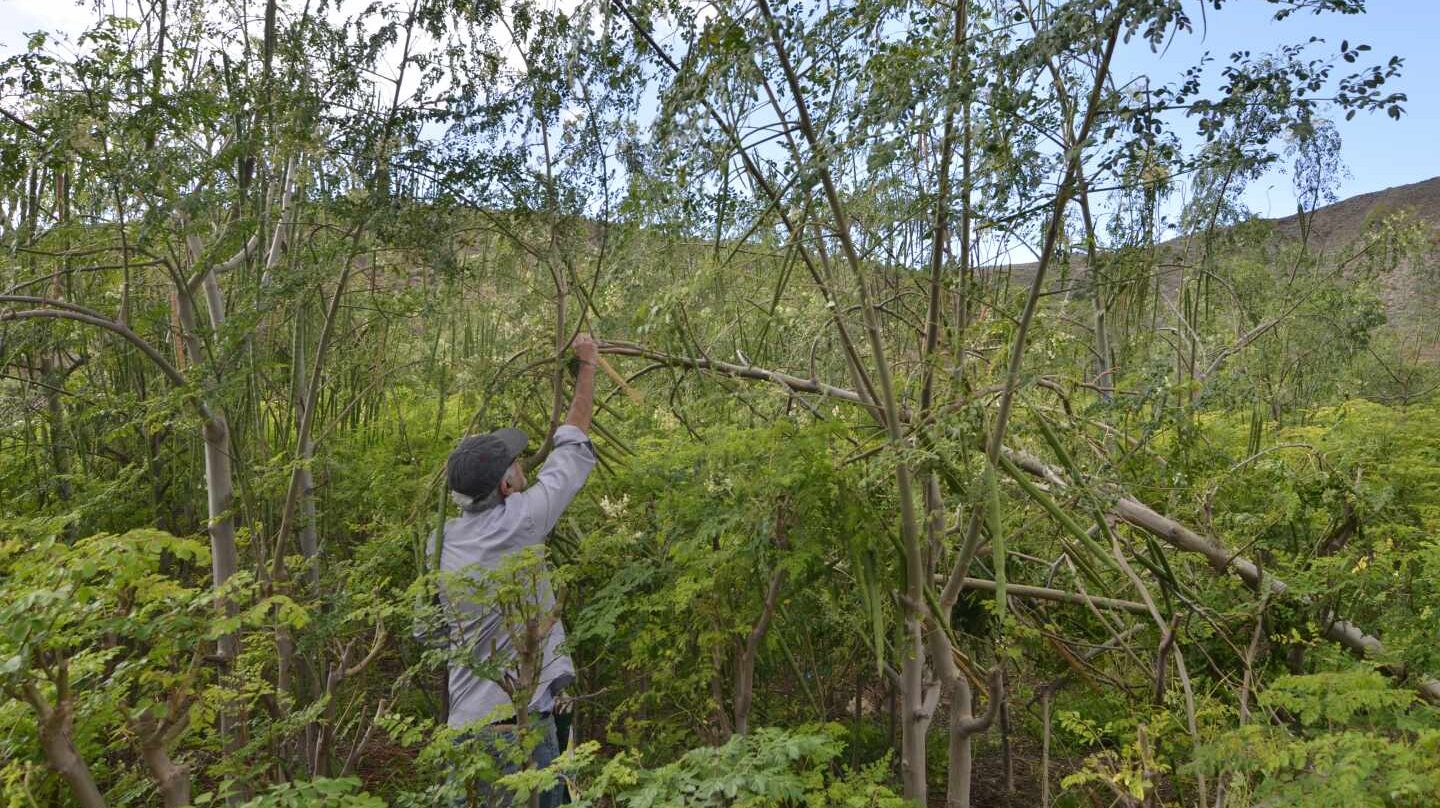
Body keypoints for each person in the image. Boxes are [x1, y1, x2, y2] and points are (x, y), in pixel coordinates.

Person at [435, 334, 598, 807]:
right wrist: (587, 368)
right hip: (517, 729)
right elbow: (572, 447)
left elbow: (432, 634)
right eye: (516, 462)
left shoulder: (439, 542)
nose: (524, 462)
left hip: (463, 728)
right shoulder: (521, 521)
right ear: (506, 486)